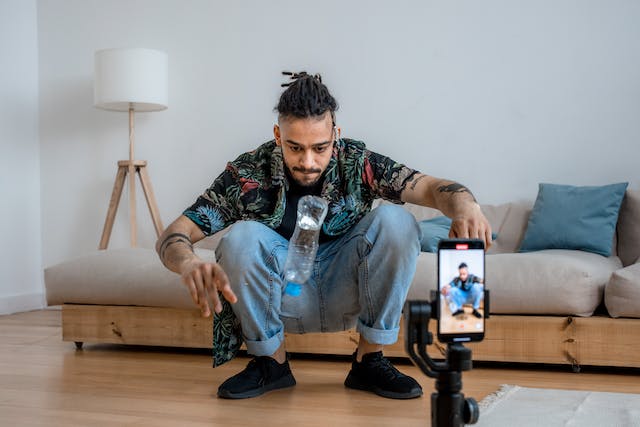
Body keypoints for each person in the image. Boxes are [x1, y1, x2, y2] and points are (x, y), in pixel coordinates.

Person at [156, 71, 492, 400]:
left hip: (347, 288)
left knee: (398, 221)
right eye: (294, 147)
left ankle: (369, 361)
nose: (308, 161)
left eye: (320, 147)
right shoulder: (247, 173)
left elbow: (432, 188)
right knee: (240, 237)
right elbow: (175, 234)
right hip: (283, 294)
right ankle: (271, 365)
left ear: (336, 134)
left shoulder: (358, 162)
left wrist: (467, 207)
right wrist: (187, 263)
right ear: (277, 135)